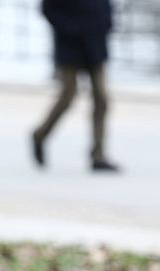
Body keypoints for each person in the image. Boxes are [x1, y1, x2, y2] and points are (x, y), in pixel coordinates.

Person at [31, 0, 119, 173]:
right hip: (70, 47)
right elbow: (48, 9)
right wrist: (70, 28)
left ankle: (98, 155)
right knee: (67, 96)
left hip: (95, 44)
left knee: (101, 99)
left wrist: (105, 23)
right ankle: (40, 135)